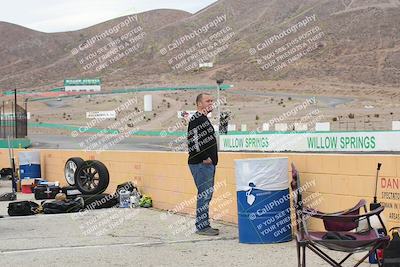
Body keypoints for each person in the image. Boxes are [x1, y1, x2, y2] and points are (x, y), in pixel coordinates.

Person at [187, 93, 219, 236]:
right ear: (199, 104)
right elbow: (193, 141)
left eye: (211, 100)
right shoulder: (196, 119)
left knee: (206, 195)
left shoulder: (204, 119)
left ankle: (204, 224)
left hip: (207, 164)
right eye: (207, 101)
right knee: (204, 195)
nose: (210, 103)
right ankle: (202, 226)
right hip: (201, 164)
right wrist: (204, 157)